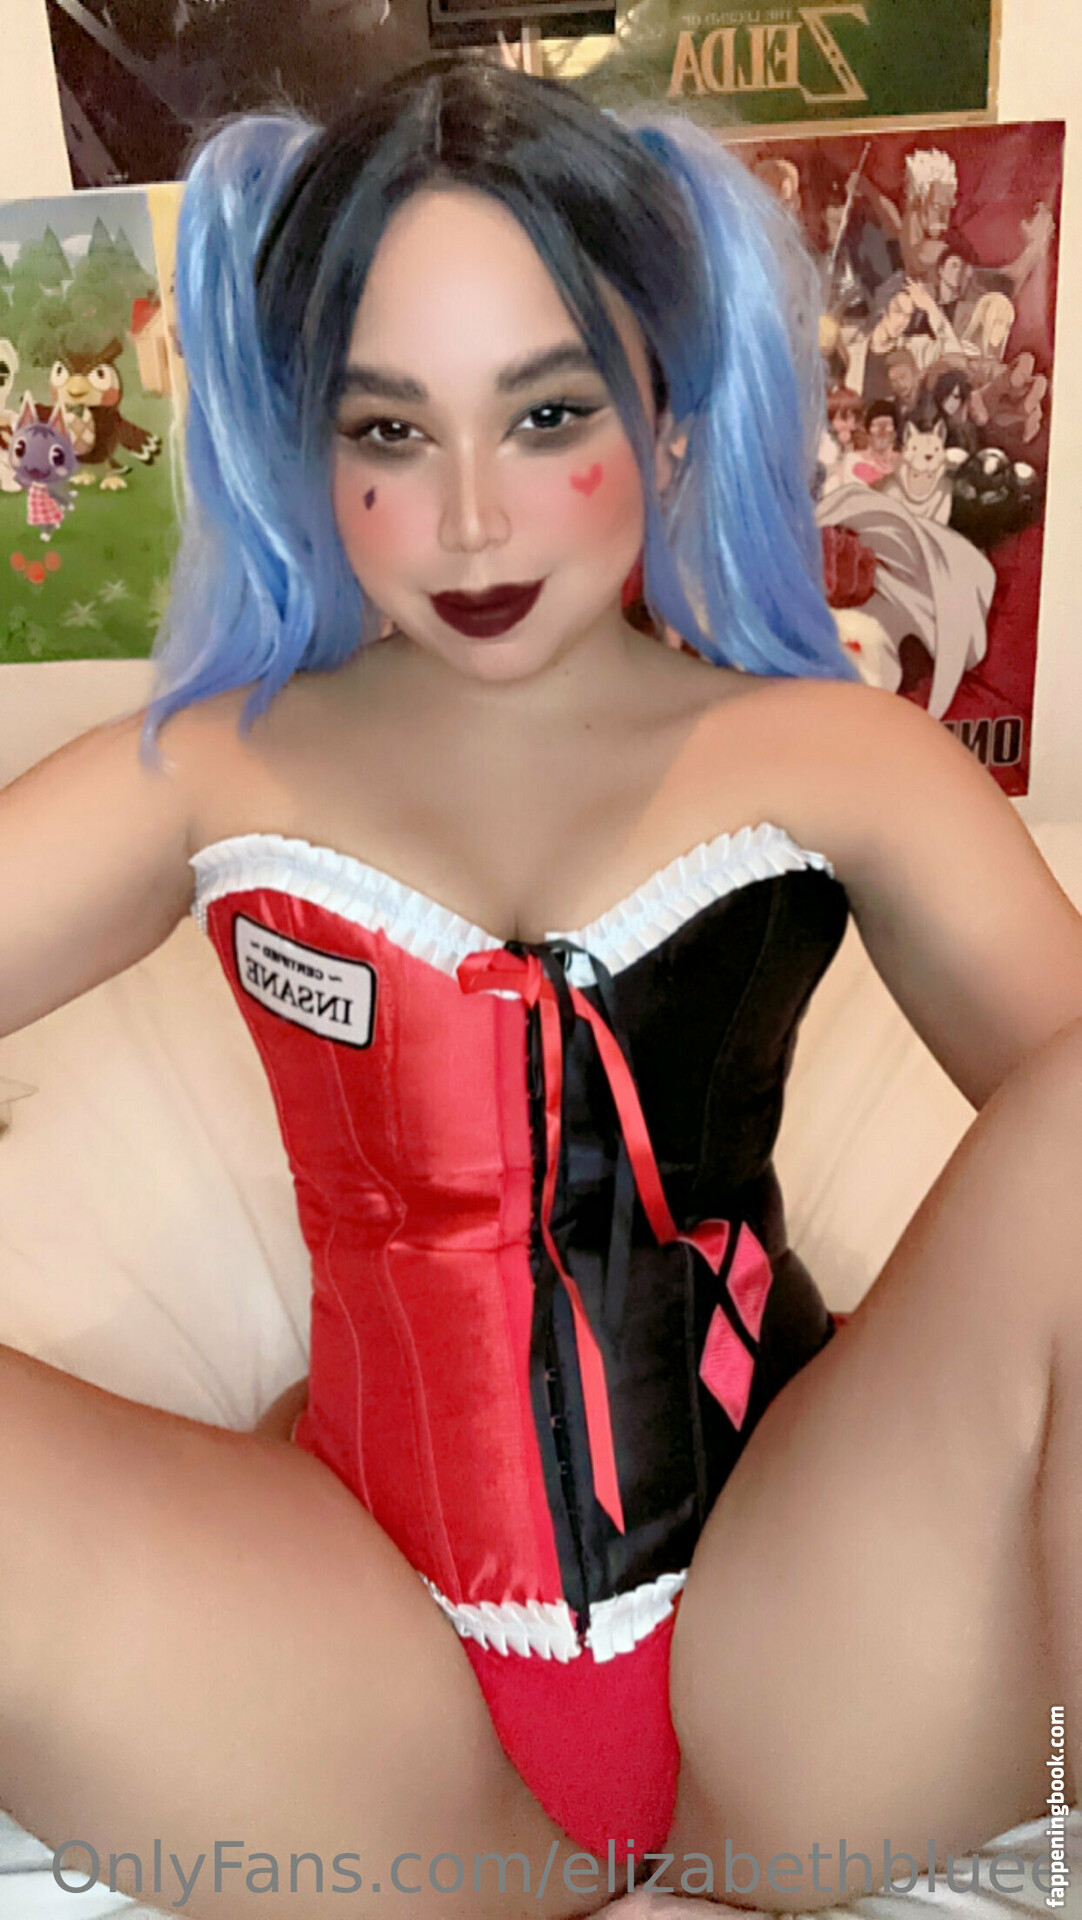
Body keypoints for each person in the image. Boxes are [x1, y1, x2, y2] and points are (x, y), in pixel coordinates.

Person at [0, 56, 1080, 1920]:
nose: (474, 523)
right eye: (391, 430)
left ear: (666, 415)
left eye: (545, 413)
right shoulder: (209, 771)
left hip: (804, 1655)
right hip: (354, 1685)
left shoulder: (836, 758)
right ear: (308, 447)